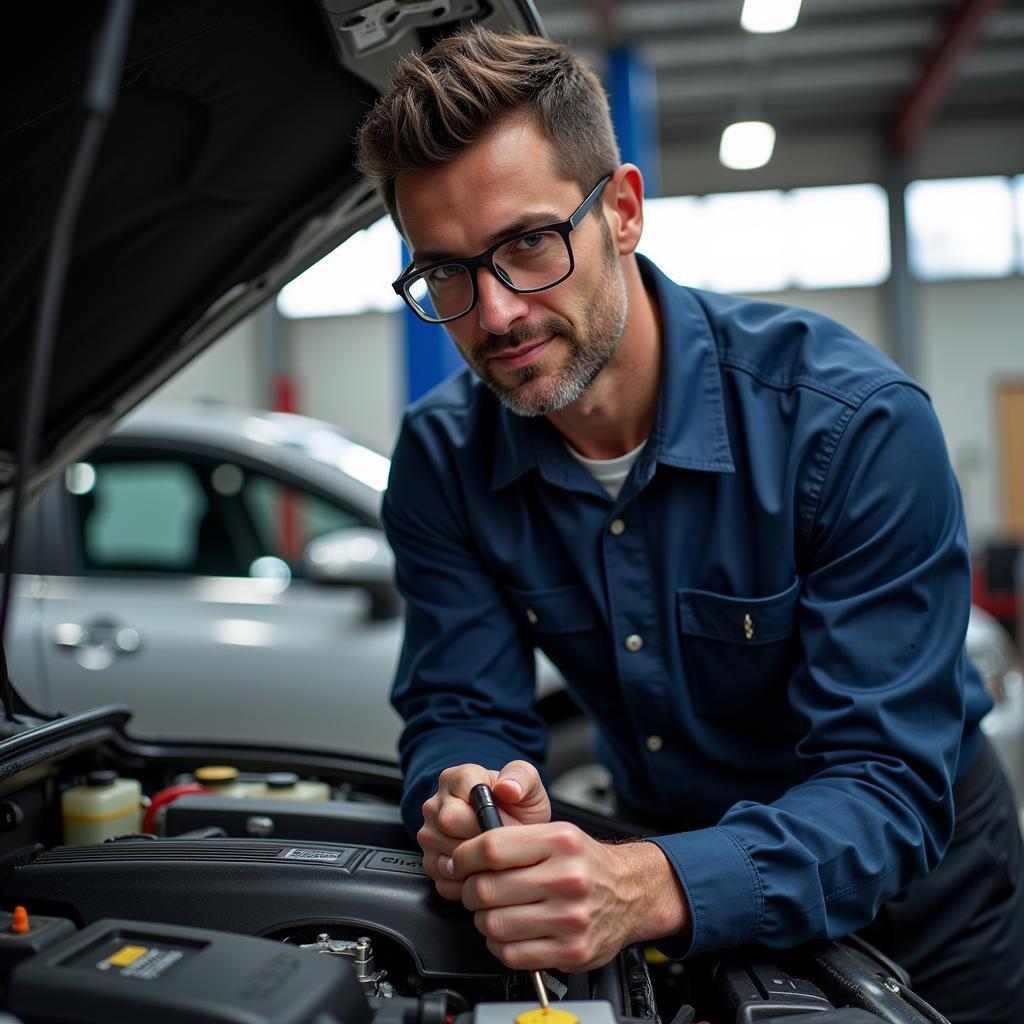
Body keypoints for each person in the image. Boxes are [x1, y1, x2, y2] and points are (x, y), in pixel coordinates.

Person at [354, 27, 1024, 1022]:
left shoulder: (851, 428)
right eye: (444, 271)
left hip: (922, 926)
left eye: (528, 243)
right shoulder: (444, 462)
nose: (492, 313)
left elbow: (885, 786)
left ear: (621, 211)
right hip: (674, 911)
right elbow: (461, 704)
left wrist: (642, 885)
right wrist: (468, 797)